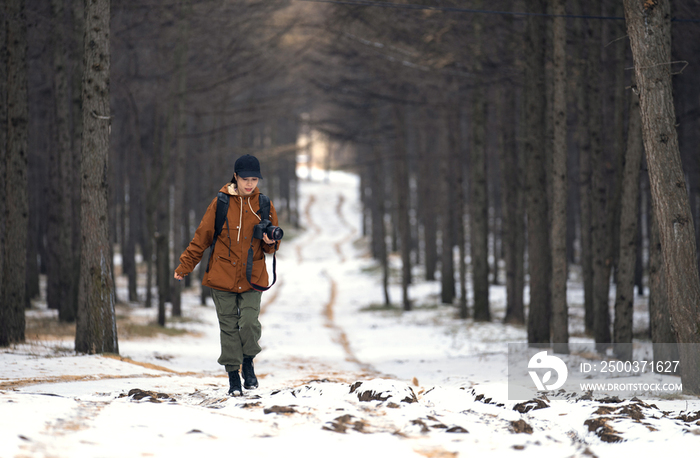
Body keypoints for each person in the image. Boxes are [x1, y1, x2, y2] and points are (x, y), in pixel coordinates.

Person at [174, 154, 280, 396]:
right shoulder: (220, 203)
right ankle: (234, 376)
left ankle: (249, 363)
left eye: (254, 179)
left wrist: (270, 241)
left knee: (250, 323)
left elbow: (271, 246)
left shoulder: (264, 204)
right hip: (222, 276)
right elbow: (201, 239)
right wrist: (185, 266)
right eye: (245, 179)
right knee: (229, 327)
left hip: (253, 277)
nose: (250, 184)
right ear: (236, 177)